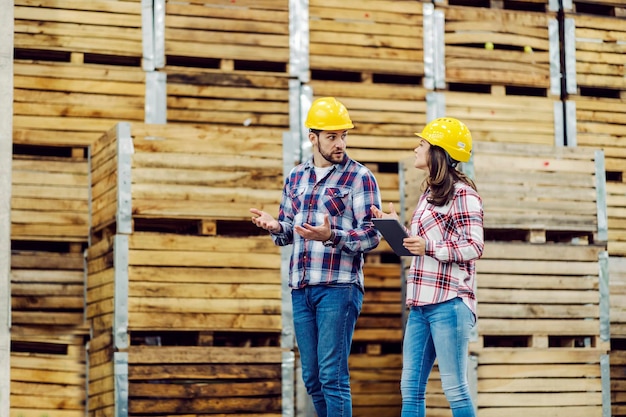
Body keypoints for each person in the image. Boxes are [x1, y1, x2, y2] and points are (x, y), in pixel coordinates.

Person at [249, 97, 382, 417]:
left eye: (344, 136)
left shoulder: (359, 177)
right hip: (301, 286)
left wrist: (332, 236)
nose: (340, 143)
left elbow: (373, 235)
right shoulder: (296, 177)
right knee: (312, 379)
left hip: (339, 287)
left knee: (332, 377)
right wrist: (274, 226)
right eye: (332, 137)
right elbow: (287, 233)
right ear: (313, 138)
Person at [371, 117, 484, 417]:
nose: (416, 148)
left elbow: (474, 246)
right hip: (420, 304)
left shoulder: (464, 195)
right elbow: (419, 244)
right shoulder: (427, 195)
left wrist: (429, 247)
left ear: (438, 151)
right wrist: (395, 226)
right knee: (410, 389)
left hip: (449, 303)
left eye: (421, 143)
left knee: (455, 389)